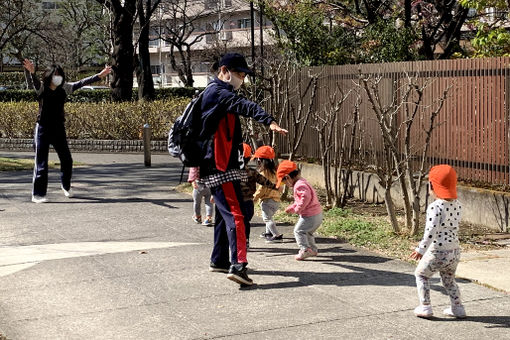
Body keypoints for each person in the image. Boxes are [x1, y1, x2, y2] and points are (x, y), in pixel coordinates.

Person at [199, 52, 287, 286]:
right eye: (239, 74)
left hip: (218, 165)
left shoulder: (213, 93)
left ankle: (218, 260)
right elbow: (243, 105)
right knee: (237, 215)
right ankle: (238, 266)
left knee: (223, 214)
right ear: (224, 70)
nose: (242, 80)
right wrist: (268, 120)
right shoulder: (218, 93)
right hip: (222, 167)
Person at [22, 59, 111, 203]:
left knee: (67, 160)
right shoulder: (42, 88)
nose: (58, 77)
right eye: (55, 75)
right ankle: (38, 194)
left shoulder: (64, 88)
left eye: (60, 75)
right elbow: (35, 82)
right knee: (41, 163)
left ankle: (66, 186)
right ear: (49, 76)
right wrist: (31, 72)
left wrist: (99, 75)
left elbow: (81, 83)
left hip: (58, 128)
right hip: (42, 128)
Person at [410, 164, 466, 319]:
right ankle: (458, 307)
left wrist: (421, 249)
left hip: (438, 252)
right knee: (449, 279)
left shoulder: (435, 207)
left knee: (421, 274)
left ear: (432, 185)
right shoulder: (458, 205)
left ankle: (425, 307)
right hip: (454, 251)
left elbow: (431, 231)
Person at [277, 160, 323, 260]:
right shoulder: (302, 182)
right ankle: (313, 250)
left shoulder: (299, 185)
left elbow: (305, 198)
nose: (286, 184)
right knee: (307, 232)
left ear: (288, 177)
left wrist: (297, 209)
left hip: (309, 216)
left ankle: (305, 250)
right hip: (317, 215)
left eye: (284, 182)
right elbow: (300, 200)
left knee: (298, 231)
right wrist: (292, 207)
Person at [240, 143, 279, 248]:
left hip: (237, 201)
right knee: (246, 222)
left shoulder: (232, 171)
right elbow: (265, 182)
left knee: (236, 223)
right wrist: (276, 187)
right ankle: (246, 241)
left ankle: (237, 241)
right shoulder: (252, 170)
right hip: (248, 202)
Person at [252, 145, 283, 243]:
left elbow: (262, 189)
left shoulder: (264, 173)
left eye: (258, 160)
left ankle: (276, 235)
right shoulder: (275, 171)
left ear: (261, 161)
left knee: (267, 219)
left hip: (267, 201)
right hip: (276, 200)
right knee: (269, 217)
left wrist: (254, 198)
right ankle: (268, 233)